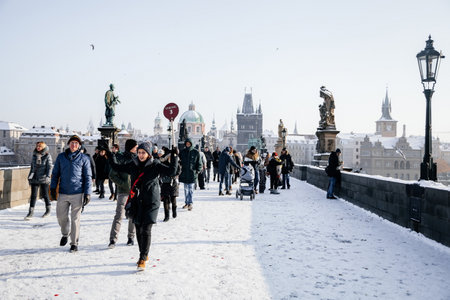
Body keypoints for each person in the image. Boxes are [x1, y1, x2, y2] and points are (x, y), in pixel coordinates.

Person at [109, 142, 177, 270]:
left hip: (152, 201)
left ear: (148, 153)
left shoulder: (155, 164)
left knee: (146, 229)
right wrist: (112, 154)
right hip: (137, 201)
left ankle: (142, 257)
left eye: (143, 153)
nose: (140, 155)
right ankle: (143, 253)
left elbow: (171, 171)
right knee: (139, 229)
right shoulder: (133, 164)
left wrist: (174, 156)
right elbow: (117, 167)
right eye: (139, 152)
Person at [50, 135, 92, 253]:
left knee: (75, 220)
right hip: (63, 192)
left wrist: (87, 193)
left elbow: (88, 177)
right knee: (61, 217)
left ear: (79, 146)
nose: (74, 145)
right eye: (72, 143)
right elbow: (55, 173)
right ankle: (65, 233)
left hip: (77, 193)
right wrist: (53, 188)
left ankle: (74, 243)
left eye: (76, 143)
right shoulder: (61, 157)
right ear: (69, 144)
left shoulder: (84, 158)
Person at [108, 139, 138, 248]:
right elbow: (112, 175)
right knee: (119, 215)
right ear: (131, 147)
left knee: (133, 215)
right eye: (135, 146)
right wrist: (122, 184)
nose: (137, 148)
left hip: (134, 192)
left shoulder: (137, 159)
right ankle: (113, 239)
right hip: (123, 191)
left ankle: (131, 237)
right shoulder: (121, 159)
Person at [25, 141, 53, 220]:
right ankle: (30, 212)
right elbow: (32, 167)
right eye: (37, 146)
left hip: (44, 178)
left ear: (43, 147)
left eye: (40, 146)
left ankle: (48, 210)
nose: (38, 147)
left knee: (45, 194)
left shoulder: (47, 156)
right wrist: (30, 176)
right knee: (33, 195)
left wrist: (48, 176)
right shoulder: (34, 155)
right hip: (35, 178)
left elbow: (49, 167)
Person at [179, 138, 202, 211]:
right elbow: (179, 161)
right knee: (186, 189)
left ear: (191, 144)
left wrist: (198, 170)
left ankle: (190, 203)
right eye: (186, 144)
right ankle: (186, 202)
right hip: (185, 173)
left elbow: (199, 162)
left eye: (189, 143)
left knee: (190, 189)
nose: (188, 145)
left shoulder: (195, 152)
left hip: (192, 173)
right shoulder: (182, 152)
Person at [159, 147, 181, 222]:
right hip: (165, 182)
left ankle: (174, 211)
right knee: (165, 200)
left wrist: (176, 175)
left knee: (173, 198)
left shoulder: (175, 161)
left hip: (173, 182)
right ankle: (166, 215)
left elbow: (179, 169)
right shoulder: (163, 162)